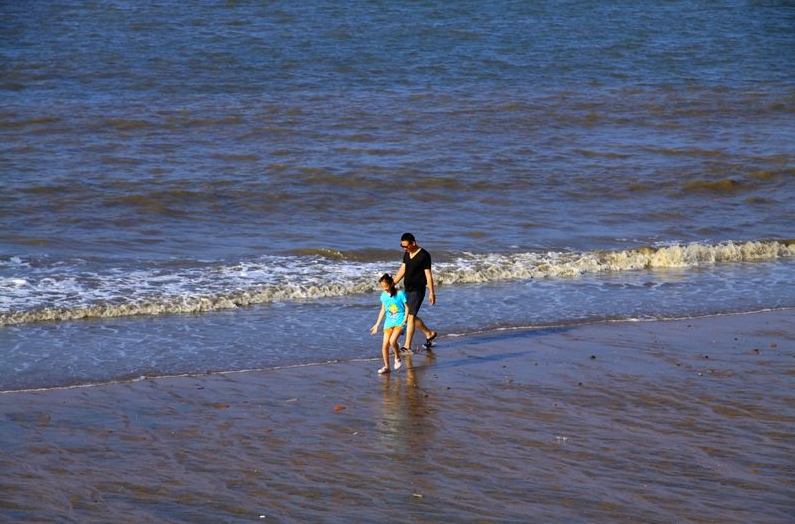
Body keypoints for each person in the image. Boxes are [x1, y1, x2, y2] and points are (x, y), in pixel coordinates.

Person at [393, 232, 438, 352]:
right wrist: (392, 284)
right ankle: (429, 333)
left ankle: (407, 346)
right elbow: (402, 270)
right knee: (407, 316)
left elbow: (428, 275)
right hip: (407, 289)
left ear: (413, 243)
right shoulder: (407, 254)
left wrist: (431, 293)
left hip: (418, 290)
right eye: (402, 246)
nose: (404, 249)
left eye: (406, 246)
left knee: (411, 316)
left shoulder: (424, 255)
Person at [370, 273, 408, 374]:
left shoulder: (400, 294)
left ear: (391, 283)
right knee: (384, 345)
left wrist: (405, 319)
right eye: (383, 287)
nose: (385, 289)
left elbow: (407, 308)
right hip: (388, 322)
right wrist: (377, 324)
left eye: (386, 286)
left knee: (392, 341)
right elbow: (383, 310)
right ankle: (387, 367)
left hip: (400, 321)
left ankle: (397, 357)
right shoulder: (383, 296)